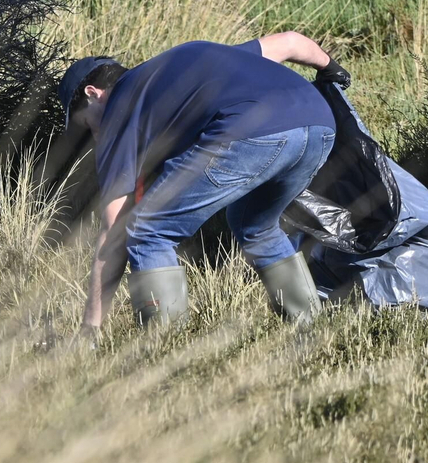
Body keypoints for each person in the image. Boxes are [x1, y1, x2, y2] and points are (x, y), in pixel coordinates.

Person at [59, 33, 351, 342]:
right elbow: (291, 43)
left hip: (254, 133)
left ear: (93, 93)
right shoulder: (188, 62)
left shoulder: (118, 109)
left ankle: (163, 350)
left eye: (85, 124)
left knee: (146, 232)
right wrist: (331, 69)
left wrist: (91, 325)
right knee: (255, 226)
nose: (93, 135)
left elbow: (114, 232)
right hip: (320, 124)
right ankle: (310, 334)